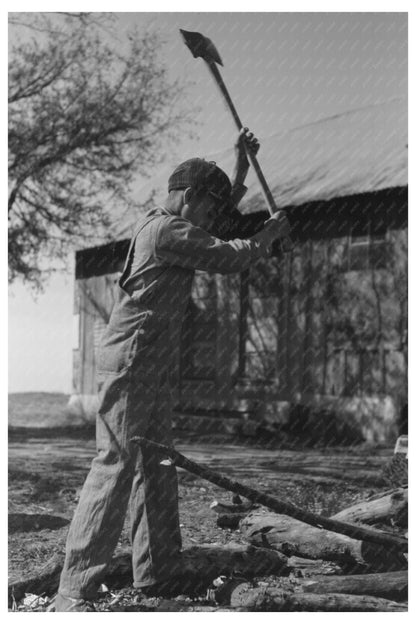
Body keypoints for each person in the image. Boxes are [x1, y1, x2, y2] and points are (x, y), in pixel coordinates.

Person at [55, 129, 291, 611]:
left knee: (156, 466)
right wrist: (267, 236)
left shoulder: (177, 225)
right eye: (208, 208)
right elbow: (225, 254)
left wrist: (240, 168)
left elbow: (216, 225)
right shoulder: (166, 230)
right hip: (133, 360)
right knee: (116, 464)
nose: (214, 218)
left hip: (153, 363)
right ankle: (72, 591)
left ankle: (158, 572)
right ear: (187, 197)